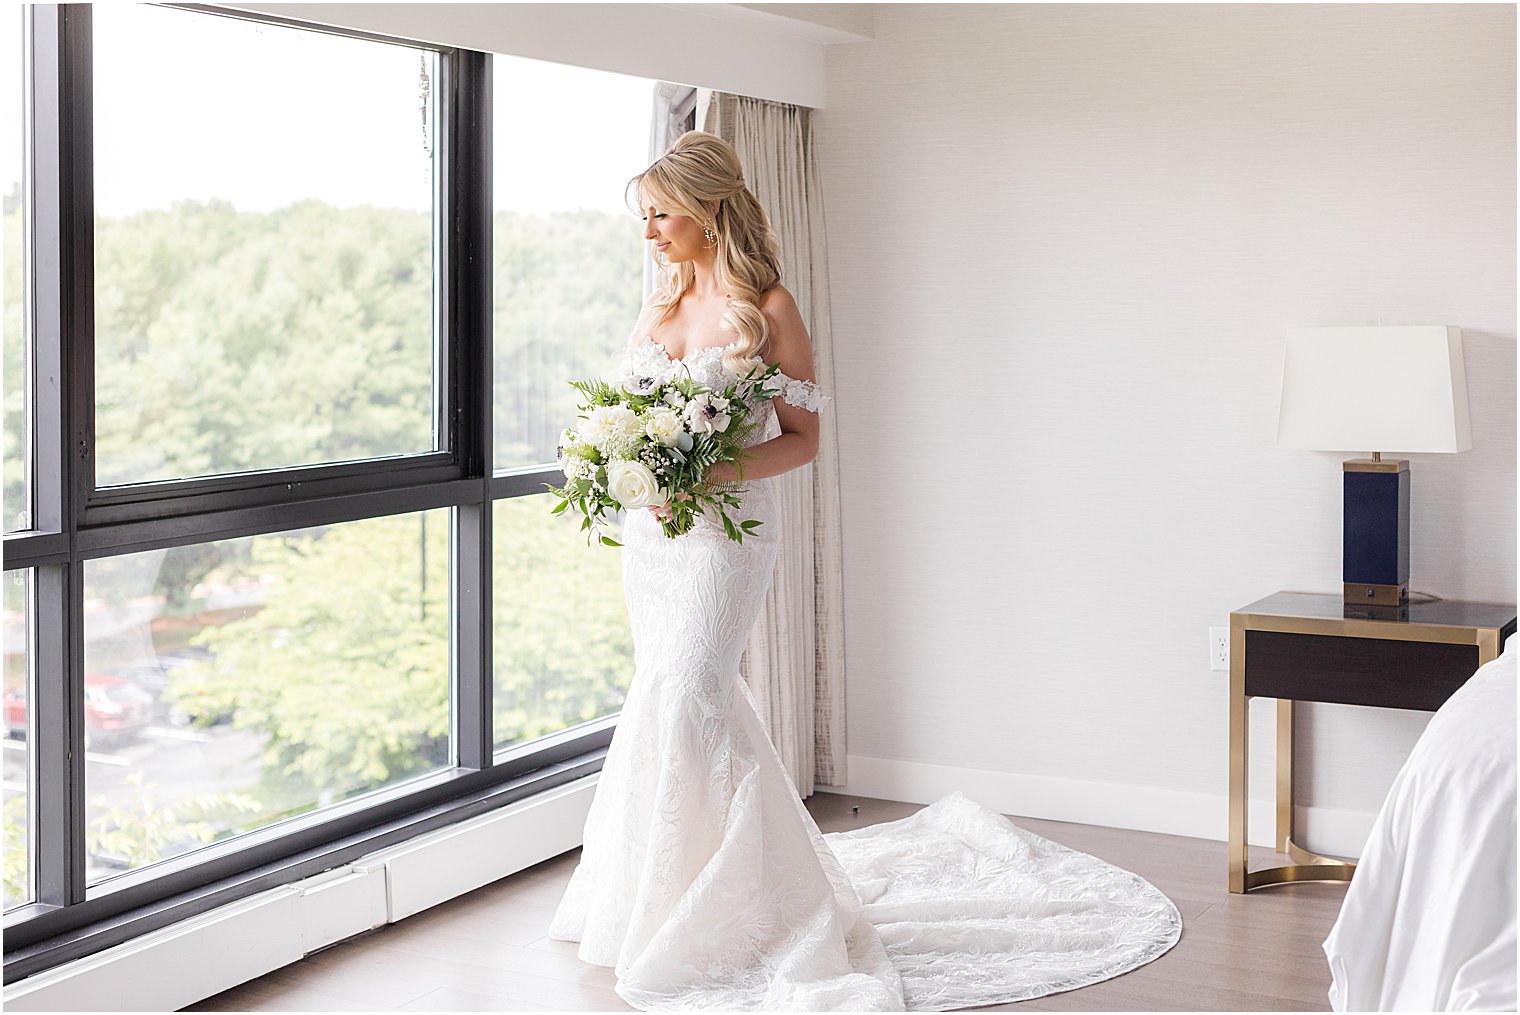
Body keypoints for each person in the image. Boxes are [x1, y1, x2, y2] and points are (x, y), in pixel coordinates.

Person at [546, 131, 1180, 1011]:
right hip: (656, 538)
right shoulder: (656, 308)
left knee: (695, 689)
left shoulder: (766, 307)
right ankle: (659, 892)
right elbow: (632, 418)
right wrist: (636, 470)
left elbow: (803, 441)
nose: (649, 230)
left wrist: (710, 471)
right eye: (644, 216)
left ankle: (746, 904)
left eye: (661, 213)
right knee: (665, 693)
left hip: (727, 534)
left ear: (709, 208)